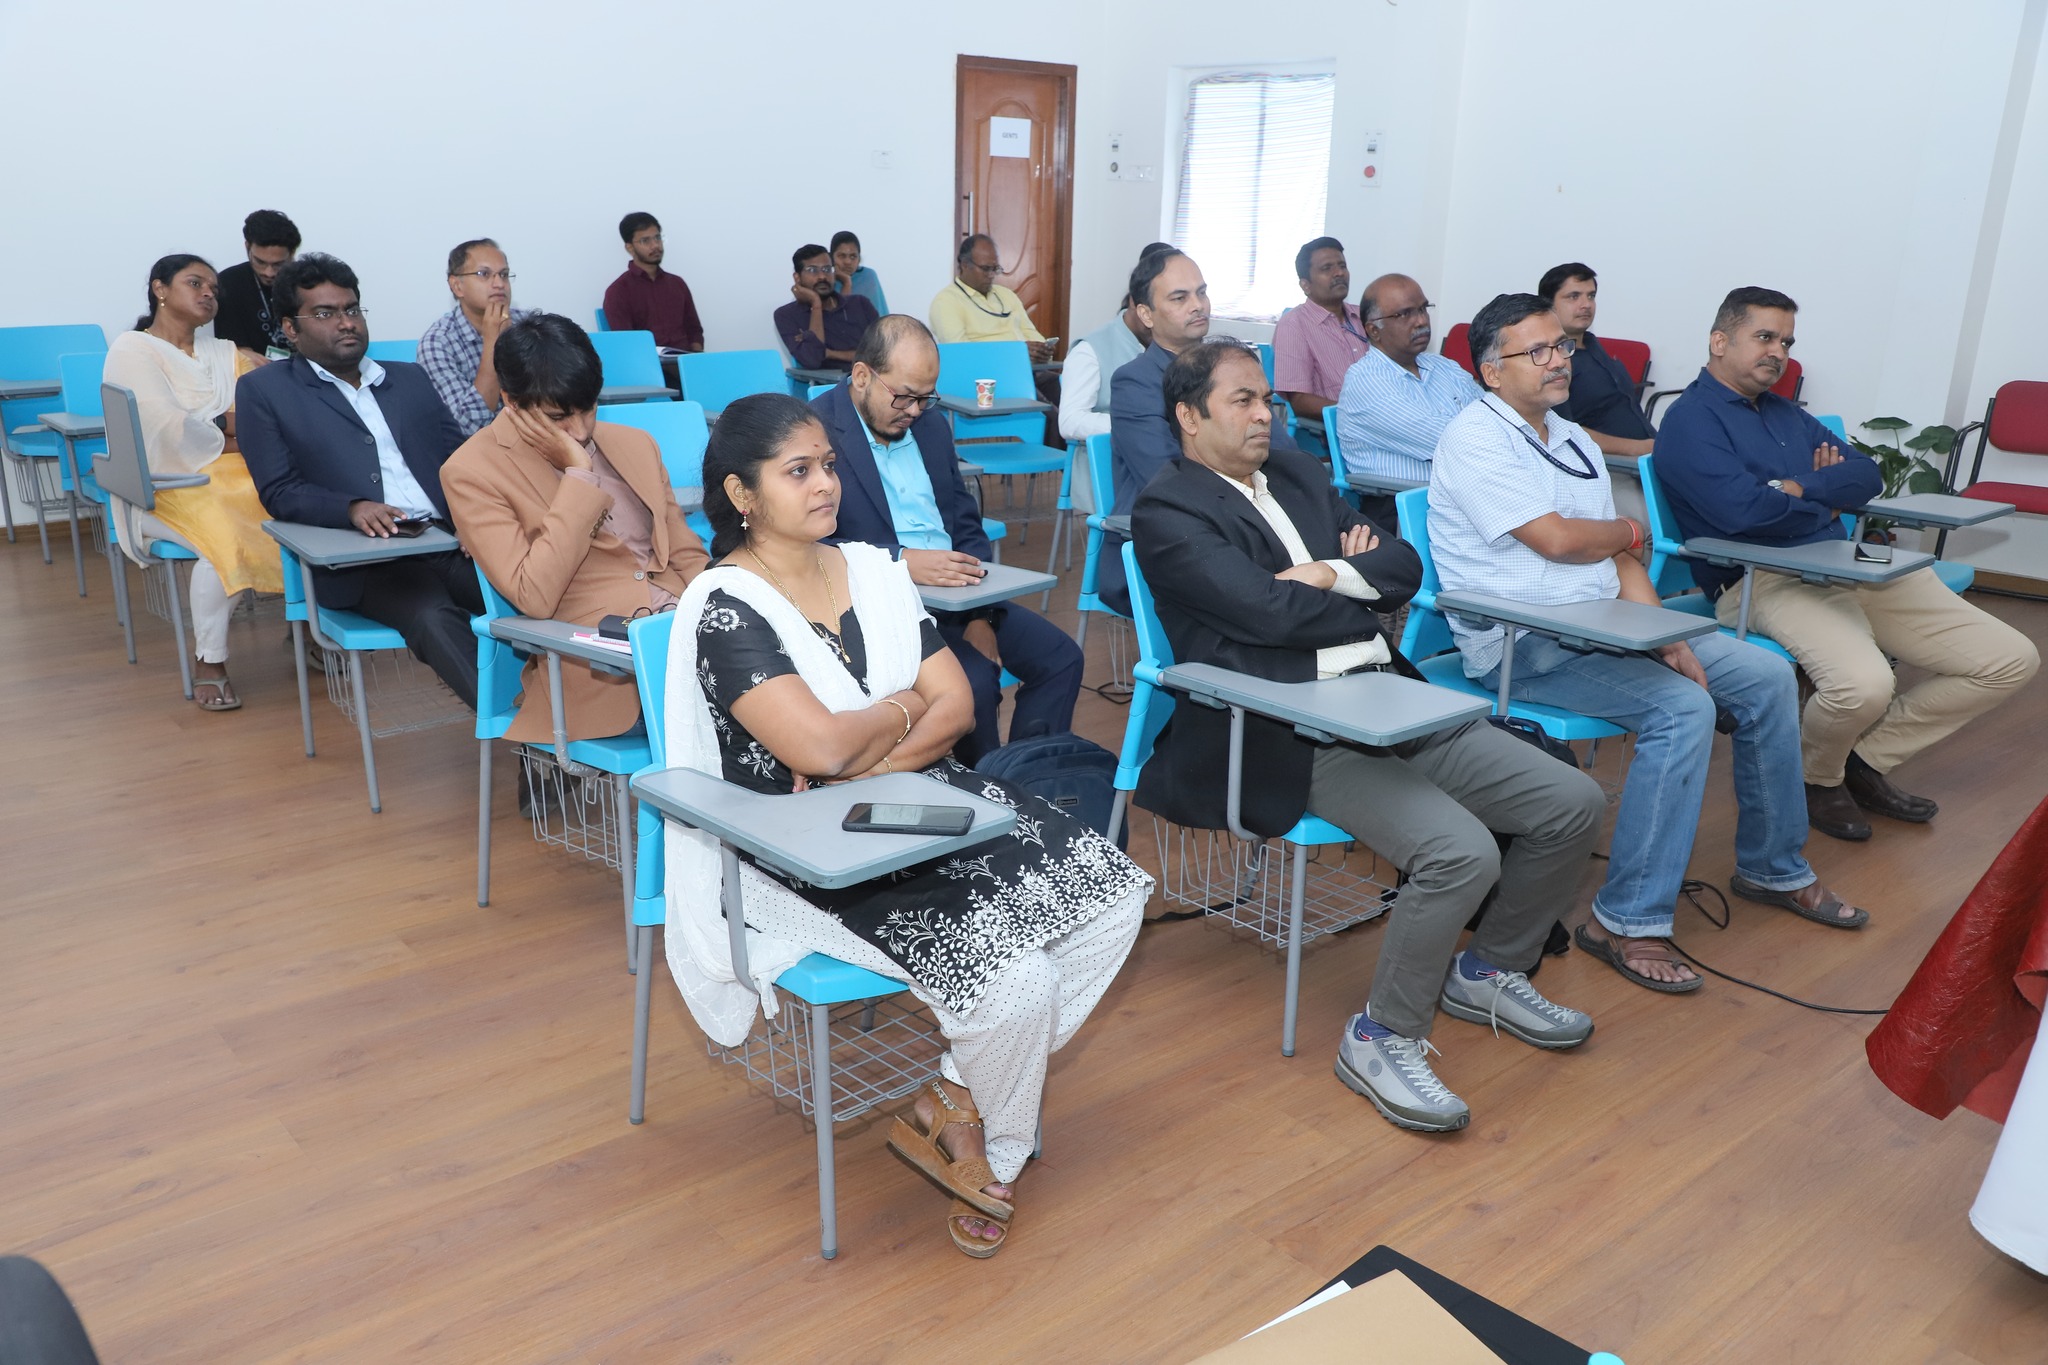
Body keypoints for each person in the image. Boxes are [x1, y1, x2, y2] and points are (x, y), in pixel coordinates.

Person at [662, 391, 1147, 1256]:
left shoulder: (872, 569)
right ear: (742, 493)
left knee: (1113, 897)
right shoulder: (725, 606)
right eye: (798, 471)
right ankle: (992, 1145)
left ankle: (952, 1094)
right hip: (791, 852)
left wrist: (866, 758)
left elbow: (954, 705)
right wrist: (898, 709)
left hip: (914, 799)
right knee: (1018, 979)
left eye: (828, 465)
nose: (826, 484)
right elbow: (813, 744)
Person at [1133, 339, 1603, 1131]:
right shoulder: (1169, 509)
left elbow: (1404, 566)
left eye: (1266, 398)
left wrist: (1325, 574)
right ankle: (1381, 1035)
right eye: (1242, 400)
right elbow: (1263, 612)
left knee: (1572, 801)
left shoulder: (1296, 471)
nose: (1264, 414)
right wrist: (1357, 593)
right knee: (1462, 852)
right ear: (1188, 415)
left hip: (1388, 698)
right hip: (1291, 725)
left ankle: (1489, 968)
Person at [1428, 293, 1873, 995]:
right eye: (1537, 351)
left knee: (1763, 676)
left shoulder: (1571, 438)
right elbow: (1558, 540)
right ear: (1491, 371)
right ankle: (1625, 920)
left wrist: (1665, 636)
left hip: (1607, 625)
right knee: (1683, 709)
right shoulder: (1475, 438)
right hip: (1525, 642)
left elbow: (1622, 559)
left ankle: (1772, 867)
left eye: (1561, 347)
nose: (1558, 361)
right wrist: (1628, 533)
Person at [1654, 286, 2039, 842]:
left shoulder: (1785, 412)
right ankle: (1815, 778)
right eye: (1764, 337)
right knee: (1864, 685)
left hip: (1846, 562)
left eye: (1786, 342)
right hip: (1761, 577)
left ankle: (1862, 759)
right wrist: (1824, 498)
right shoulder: (1691, 421)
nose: (1778, 352)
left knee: (2009, 659)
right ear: (1719, 341)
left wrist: (1794, 489)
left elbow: (1866, 475)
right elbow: (1741, 514)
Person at [812, 316, 1084, 762]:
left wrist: (981, 617)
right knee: (974, 683)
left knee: (1061, 658)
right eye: (904, 396)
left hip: (958, 597)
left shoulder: (931, 426)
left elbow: (965, 524)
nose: (915, 410)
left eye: (926, 397)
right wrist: (900, 560)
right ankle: (985, 792)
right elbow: (807, 548)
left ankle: (1026, 777)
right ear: (862, 376)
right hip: (877, 606)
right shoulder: (815, 431)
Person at [442, 314, 709, 741]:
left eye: (589, 408)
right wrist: (579, 477)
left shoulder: (636, 443)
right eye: (558, 417)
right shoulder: (471, 471)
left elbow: (686, 554)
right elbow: (534, 596)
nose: (581, 430)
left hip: (687, 635)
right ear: (511, 402)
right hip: (606, 672)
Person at [236, 253, 484, 708]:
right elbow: (279, 490)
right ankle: (522, 729)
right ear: (290, 328)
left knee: (530, 597)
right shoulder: (265, 391)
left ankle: (573, 709)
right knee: (434, 618)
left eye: (351, 309)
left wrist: (473, 518)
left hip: (451, 540)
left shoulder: (408, 378)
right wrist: (351, 508)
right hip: (370, 560)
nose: (346, 322)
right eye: (325, 314)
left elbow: (463, 460)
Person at [102, 254, 282, 711]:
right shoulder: (132, 349)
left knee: (298, 510)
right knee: (223, 535)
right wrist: (233, 427)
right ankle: (210, 661)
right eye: (195, 283)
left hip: (243, 475)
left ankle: (314, 632)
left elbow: (268, 418)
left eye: (214, 289)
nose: (208, 294)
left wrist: (223, 428)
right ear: (160, 289)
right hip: (166, 485)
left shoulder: (226, 353)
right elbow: (165, 430)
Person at [1097, 247, 1214, 613]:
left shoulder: (1228, 370)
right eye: (1180, 298)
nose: (1198, 305)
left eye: (1201, 292)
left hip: (1228, 529)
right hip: (1164, 544)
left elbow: (1281, 451)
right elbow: (1166, 478)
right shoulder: (1136, 381)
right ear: (1145, 314)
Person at [1333, 273, 1480, 513]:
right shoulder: (1366, 381)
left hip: (1464, 500)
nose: (1421, 321)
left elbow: (1494, 417)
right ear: (1374, 330)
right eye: (1405, 314)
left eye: (1423, 309)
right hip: (1403, 511)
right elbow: (1453, 442)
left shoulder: (1444, 366)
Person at [1055, 243, 1168, 514]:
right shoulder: (1091, 350)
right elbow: (1070, 421)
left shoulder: (1178, 346)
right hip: (1110, 473)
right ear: (1136, 304)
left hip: (1165, 464)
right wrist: (1136, 424)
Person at [1538, 263, 1656, 458]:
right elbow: (1560, 430)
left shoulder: (1592, 346)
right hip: (1609, 464)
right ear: (1548, 304)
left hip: (1646, 455)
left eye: (1591, 296)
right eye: (1574, 296)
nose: (1586, 304)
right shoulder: (1550, 360)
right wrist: (1640, 448)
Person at [419, 239, 535, 437]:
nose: (499, 284)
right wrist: (495, 342)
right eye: (484, 274)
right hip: (482, 447)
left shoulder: (529, 324)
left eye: (504, 274)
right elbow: (468, 427)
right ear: (457, 286)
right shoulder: (437, 343)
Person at [1272, 236, 1370, 454]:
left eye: (1342, 266)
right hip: (1346, 433)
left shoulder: (1365, 316)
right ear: (1305, 285)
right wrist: (1358, 414)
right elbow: (1299, 401)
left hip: (1387, 419)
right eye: (1327, 268)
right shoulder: (1294, 325)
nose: (1339, 273)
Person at [927, 234, 1053, 361]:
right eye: (986, 269)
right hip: (985, 370)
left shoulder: (1007, 295)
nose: (991, 275)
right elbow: (961, 353)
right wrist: (1017, 352)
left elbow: (1030, 332)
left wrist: (1042, 350)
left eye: (995, 268)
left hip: (1027, 366)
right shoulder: (946, 302)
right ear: (965, 265)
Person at [602, 212, 704, 352]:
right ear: (630, 248)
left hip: (685, 360)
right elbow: (627, 343)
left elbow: (694, 331)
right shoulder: (618, 291)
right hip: (647, 362)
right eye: (645, 241)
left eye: (657, 238)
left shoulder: (677, 284)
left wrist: (696, 357)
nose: (655, 245)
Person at [776, 244, 881, 373]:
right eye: (812, 270)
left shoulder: (860, 304)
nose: (822, 276)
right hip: (827, 384)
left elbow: (882, 353)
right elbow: (813, 359)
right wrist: (816, 304)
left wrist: (830, 353)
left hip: (872, 379)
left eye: (827, 269)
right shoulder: (786, 315)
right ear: (797, 277)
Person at [211, 209, 300, 357]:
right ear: (247, 247)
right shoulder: (229, 282)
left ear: (292, 254)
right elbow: (232, 347)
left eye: (278, 264)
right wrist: (242, 354)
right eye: (260, 262)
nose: (268, 272)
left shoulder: (309, 282)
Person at [830, 231, 888, 314]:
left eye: (853, 256)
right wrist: (846, 283)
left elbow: (877, 314)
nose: (848, 262)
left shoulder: (868, 276)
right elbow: (841, 316)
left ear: (859, 259)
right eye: (842, 256)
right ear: (831, 258)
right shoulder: (827, 282)